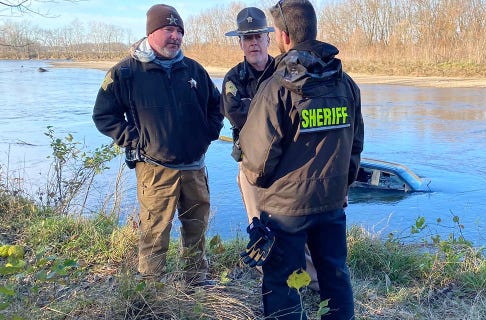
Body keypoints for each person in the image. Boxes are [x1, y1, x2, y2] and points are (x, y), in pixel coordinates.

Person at [239, 0, 364, 318]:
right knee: (334, 277)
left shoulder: (276, 88)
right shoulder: (345, 83)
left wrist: (262, 188)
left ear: (281, 36)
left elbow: (257, 159)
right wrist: (341, 186)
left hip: (285, 211)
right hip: (332, 204)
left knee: (282, 284)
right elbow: (355, 145)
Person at [92, 4, 224, 287]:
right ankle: (149, 291)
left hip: (194, 168)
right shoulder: (126, 72)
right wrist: (136, 140)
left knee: (196, 229)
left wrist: (209, 132)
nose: (175, 36)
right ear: (151, 32)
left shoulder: (194, 70)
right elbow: (104, 115)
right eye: (168, 30)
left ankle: (195, 281)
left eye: (179, 31)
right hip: (155, 170)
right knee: (154, 233)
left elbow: (217, 105)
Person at [221, 6, 319, 290]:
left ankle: (311, 283)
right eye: (246, 38)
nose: (253, 43)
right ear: (241, 43)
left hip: (290, 161)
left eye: (257, 37)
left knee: (298, 224)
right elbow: (235, 113)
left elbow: (302, 108)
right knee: (261, 228)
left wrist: (263, 110)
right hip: (251, 163)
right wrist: (276, 110)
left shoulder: (287, 68)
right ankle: (274, 282)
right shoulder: (233, 79)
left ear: (268, 38)